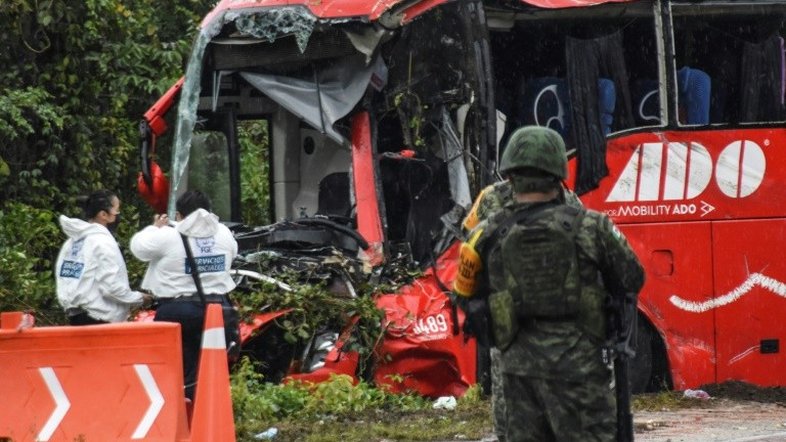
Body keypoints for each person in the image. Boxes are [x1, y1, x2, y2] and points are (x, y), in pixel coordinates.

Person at [453, 126, 644, 441]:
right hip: (579, 372)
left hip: (515, 377)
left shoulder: (485, 233)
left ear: (510, 174)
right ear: (559, 173)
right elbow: (632, 277)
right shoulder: (590, 226)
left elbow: (463, 293)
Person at [461, 132, 585, 442]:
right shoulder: (568, 199)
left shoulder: (490, 197)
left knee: (511, 407)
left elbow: (470, 241)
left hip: (509, 322)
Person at [130, 190, 239, 400]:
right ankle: (208, 408)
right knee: (211, 368)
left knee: (176, 371)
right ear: (209, 211)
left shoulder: (168, 235)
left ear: (179, 215)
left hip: (177, 311)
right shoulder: (224, 232)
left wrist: (155, 228)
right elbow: (233, 254)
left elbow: (138, 248)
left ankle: (183, 408)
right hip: (217, 310)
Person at [55, 189, 147, 325]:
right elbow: (111, 287)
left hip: (76, 315)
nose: (118, 215)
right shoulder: (102, 242)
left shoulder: (72, 242)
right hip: (100, 318)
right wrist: (139, 298)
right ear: (103, 214)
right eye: (116, 210)